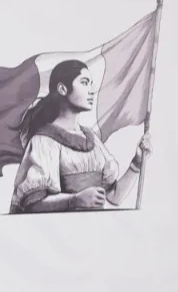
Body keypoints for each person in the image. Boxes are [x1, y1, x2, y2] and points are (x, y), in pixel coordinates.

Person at [8, 60, 151, 213]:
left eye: (91, 83)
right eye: (84, 82)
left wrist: (137, 163)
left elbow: (115, 197)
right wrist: (74, 200)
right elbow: (33, 205)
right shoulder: (43, 141)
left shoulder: (92, 139)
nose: (91, 90)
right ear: (62, 89)